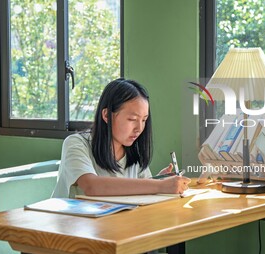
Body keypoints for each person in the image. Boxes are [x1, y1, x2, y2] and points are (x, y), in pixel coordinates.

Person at [52, 78, 191, 199]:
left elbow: (140, 187)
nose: (139, 128)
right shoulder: (76, 143)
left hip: (110, 225)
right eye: (132, 119)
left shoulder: (133, 151)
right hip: (71, 226)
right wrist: (159, 185)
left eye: (144, 120)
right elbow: (92, 186)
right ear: (106, 115)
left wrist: (159, 180)